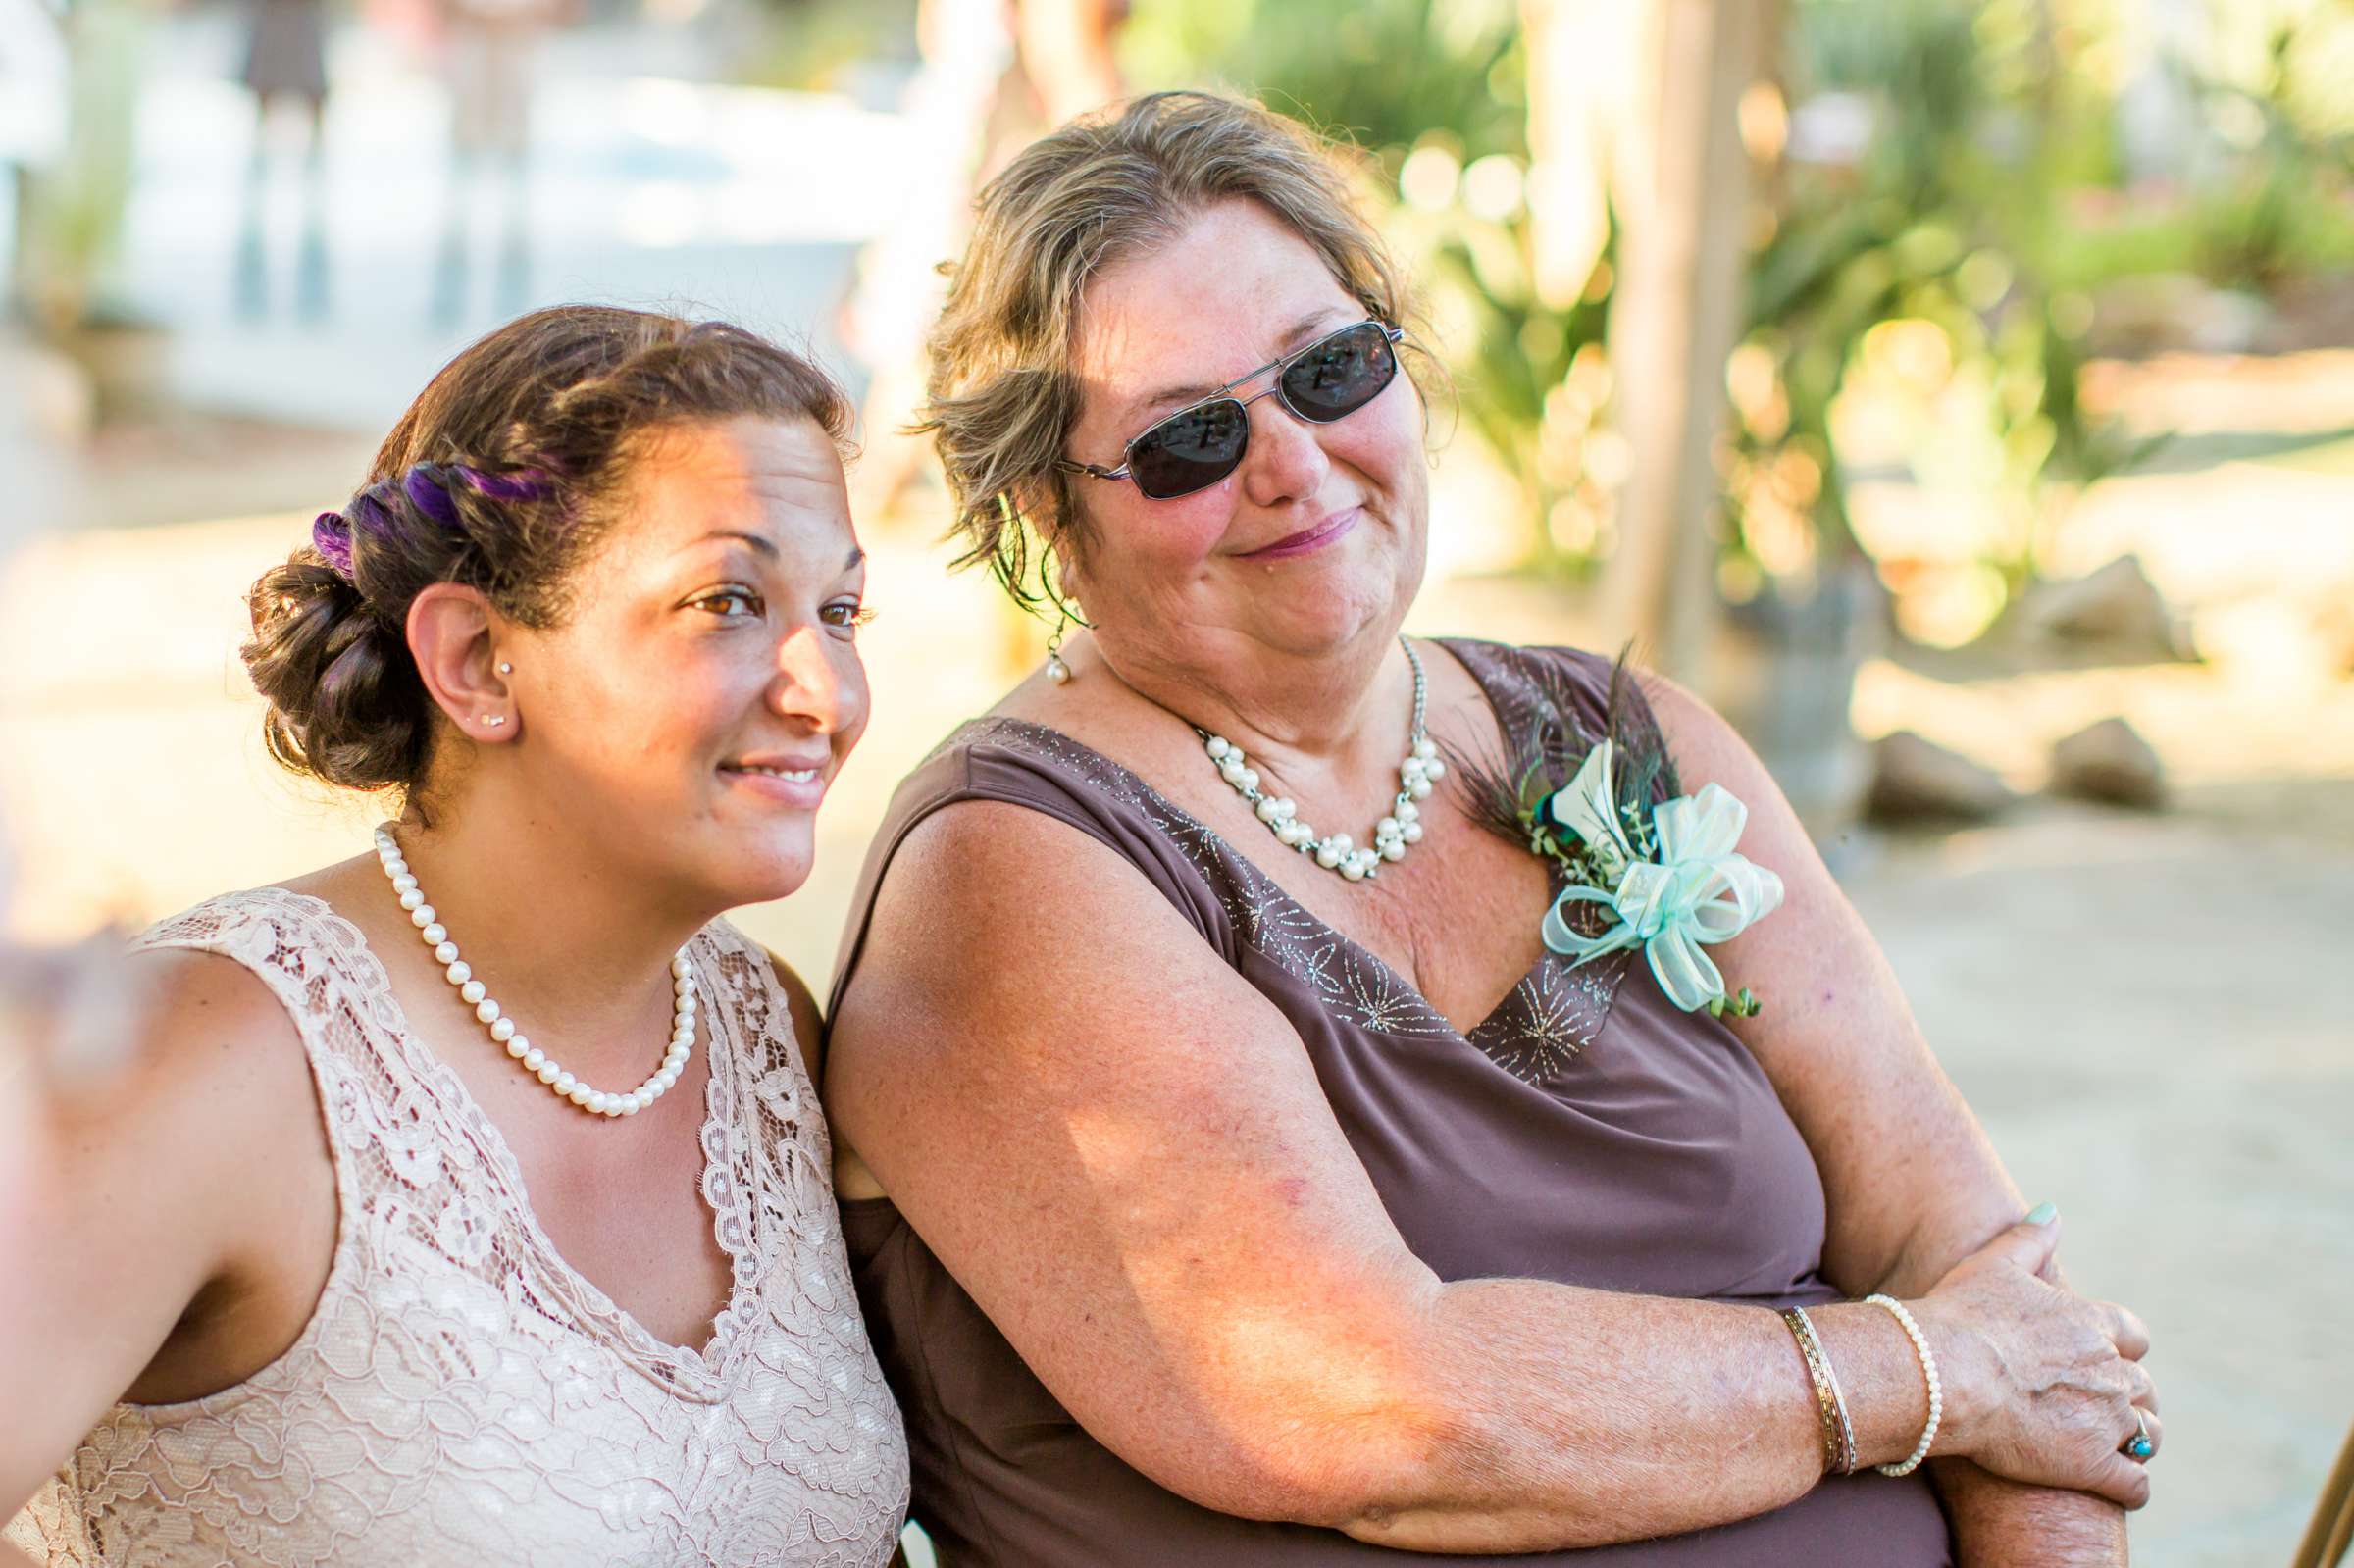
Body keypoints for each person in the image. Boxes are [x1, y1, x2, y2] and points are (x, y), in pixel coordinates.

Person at [825, 92, 2157, 1564]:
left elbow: (1991, 1278)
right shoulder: (1015, 872)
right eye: (1189, 440)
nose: (1293, 462)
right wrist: (1935, 1377)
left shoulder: (1626, 741)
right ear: (1043, 515)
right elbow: (1384, 1414)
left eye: (1333, 369)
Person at [1, 305, 909, 1565]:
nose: (829, 694)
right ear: (478, 659)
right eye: (730, 601)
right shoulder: (210, 1066)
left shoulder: (767, 1034)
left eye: (845, 613)